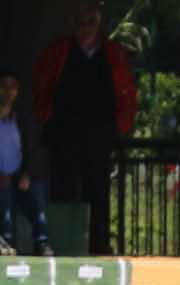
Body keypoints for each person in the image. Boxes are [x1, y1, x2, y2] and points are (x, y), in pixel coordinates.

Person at [32, 1, 136, 256]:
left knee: (98, 192)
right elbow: (41, 87)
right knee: (62, 190)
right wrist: (48, 118)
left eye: (91, 23)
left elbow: (127, 93)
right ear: (73, 25)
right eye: (81, 23)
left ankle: (98, 246)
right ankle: (62, 245)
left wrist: (118, 126)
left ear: (99, 25)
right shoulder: (59, 51)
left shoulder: (112, 53)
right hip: (64, 134)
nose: (85, 28)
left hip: (99, 134)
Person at [0, 69, 51, 257]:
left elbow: (33, 149)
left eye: (12, 87)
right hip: (1, 179)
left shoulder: (22, 119)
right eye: (3, 86)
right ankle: (6, 243)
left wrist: (27, 174)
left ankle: (42, 243)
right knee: (4, 201)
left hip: (20, 176)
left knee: (36, 200)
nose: (7, 91)